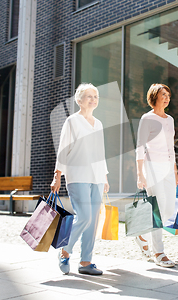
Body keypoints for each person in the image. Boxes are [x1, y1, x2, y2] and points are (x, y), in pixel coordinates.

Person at [51, 83, 110, 275]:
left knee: (92, 221)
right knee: (84, 216)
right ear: (79, 100)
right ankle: (65, 251)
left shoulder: (99, 123)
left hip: (97, 176)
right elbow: (63, 149)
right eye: (89, 96)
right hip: (77, 175)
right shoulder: (72, 121)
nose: (93, 99)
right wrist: (57, 175)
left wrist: (105, 176)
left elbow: (101, 152)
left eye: (96, 96)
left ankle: (86, 262)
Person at [135, 83, 178, 268]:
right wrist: (140, 174)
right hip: (152, 167)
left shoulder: (169, 119)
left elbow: (171, 147)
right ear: (154, 96)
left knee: (169, 210)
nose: (167, 97)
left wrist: (175, 171)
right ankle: (159, 252)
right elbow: (140, 147)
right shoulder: (147, 118)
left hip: (168, 168)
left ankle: (142, 234)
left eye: (168, 94)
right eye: (163, 94)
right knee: (157, 210)